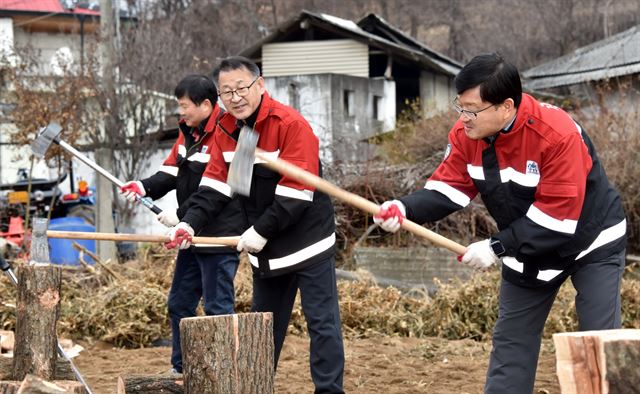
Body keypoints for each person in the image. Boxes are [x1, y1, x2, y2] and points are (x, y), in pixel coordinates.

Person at [374, 53, 626, 393]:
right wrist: (403, 208)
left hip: (590, 241)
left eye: (471, 109)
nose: (463, 117)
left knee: (598, 342)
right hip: (525, 245)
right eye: (459, 106)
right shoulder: (467, 134)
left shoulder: (556, 134)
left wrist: (496, 247)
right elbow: (447, 189)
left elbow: (556, 218)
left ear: (506, 106)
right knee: (511, 343)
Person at [165, 56, 345, 393]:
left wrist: (259, 231)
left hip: (308, 241)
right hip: (268, 249)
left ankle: (330, 391)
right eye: (226, 91)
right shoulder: (230, 130)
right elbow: (218, 186)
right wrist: (189, 223)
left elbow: (295, 194)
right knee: (262, 329)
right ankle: (257, 388)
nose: (235, 97)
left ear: (260, 85)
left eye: (241, 88)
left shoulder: (290, 124)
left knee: (322, 324)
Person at [120, 74, 244, 375]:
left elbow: (217, 188)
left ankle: (224, 371)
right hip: (190, 234)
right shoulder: (189, 133)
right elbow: (170, 171)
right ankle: (181, 369)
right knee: (179, 302)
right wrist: (143, 186)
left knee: (217, 309)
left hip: (218, 235)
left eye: (184, 105)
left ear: (205, 104)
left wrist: (181, 215)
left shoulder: (228, 132)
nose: (181, 112)